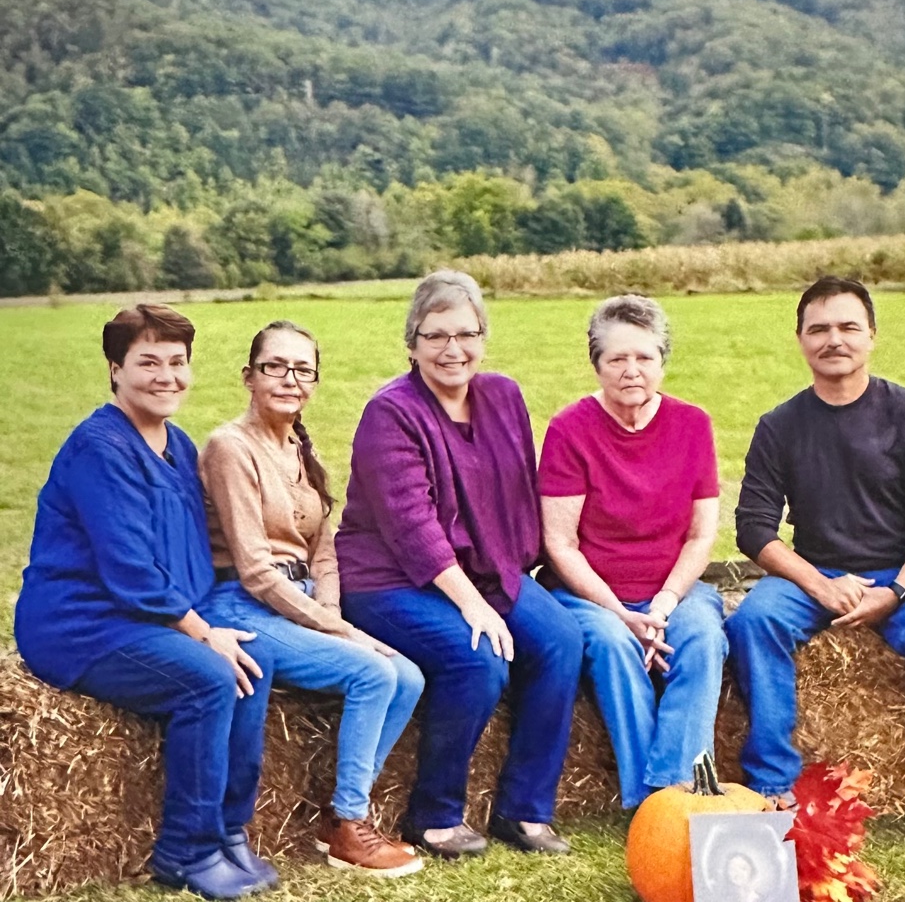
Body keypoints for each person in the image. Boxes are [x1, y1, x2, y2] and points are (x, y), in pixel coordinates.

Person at [14, 305, 277, 898]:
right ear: (115, 370)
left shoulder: (178, 444)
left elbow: (187, 551)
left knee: (252, 669)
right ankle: (185, 853)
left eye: (178, 363)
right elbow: (130, 568)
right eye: (148, 362)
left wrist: (214, 623)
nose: (166, 376)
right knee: (209, 679)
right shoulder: (100, 447)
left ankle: (229, 831)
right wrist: (201, 634)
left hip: (149, 616)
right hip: (82, 623)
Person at [726, 277, 905, 856]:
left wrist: (898, 588)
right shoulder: (781, 425)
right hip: (815, 573)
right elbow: (754, 528)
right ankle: (773, 789)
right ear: (800, 340)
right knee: (751, 623)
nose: (833, 340)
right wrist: (818, 584)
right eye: (818, 329)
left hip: (904, 574)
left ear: (871, 335)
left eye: (848, 327)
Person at [336, 270, 583, 858]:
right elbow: (412, 528)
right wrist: (473, 604)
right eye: (436, 336)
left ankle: (525, 810)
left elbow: (520, 490)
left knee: (562, 640)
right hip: (388, 579)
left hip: (486, 568)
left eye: (466, 334)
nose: (453, 350)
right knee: (478, 660)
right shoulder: (390, 413)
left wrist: (516, 577)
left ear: (483, 337)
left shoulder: (503, 396)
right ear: (413, 342)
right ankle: (434, 813)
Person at [199, 320, 424, 876]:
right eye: (276, 366)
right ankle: (351, 825)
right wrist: (340, 632)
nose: (290, 379)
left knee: (410, 677)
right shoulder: (231, 447)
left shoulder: (301, 447)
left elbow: (323, 551)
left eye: (303, 370)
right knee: (373, 673)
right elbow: (255, 570)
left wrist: (332, 614)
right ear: (249, 377)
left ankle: (337, 818)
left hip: (299, 600)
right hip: (242, 604)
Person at [539, 294, 726, 810]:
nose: (631, 370)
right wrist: (621, 614)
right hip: (592, 595)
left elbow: (700, 536)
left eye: (644, 357)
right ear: (596, 364)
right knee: (615, 648)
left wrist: (662, 607)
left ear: (662, 361)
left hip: (673, 591)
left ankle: (677, 792)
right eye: (617, 358)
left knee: (705, 639)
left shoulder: (693, 425)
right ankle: (647, 802)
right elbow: (560, 543)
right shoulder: (569, 429)